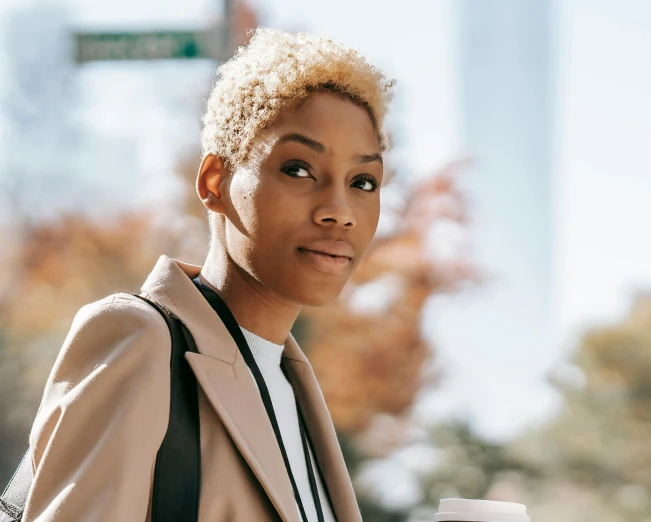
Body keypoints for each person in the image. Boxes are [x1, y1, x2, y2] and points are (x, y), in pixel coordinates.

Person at [21, 27, 394, 522]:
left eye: (363, 181)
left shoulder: (293, 388)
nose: (339, 211)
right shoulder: (141, 340)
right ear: (215, 182)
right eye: (299, 169)